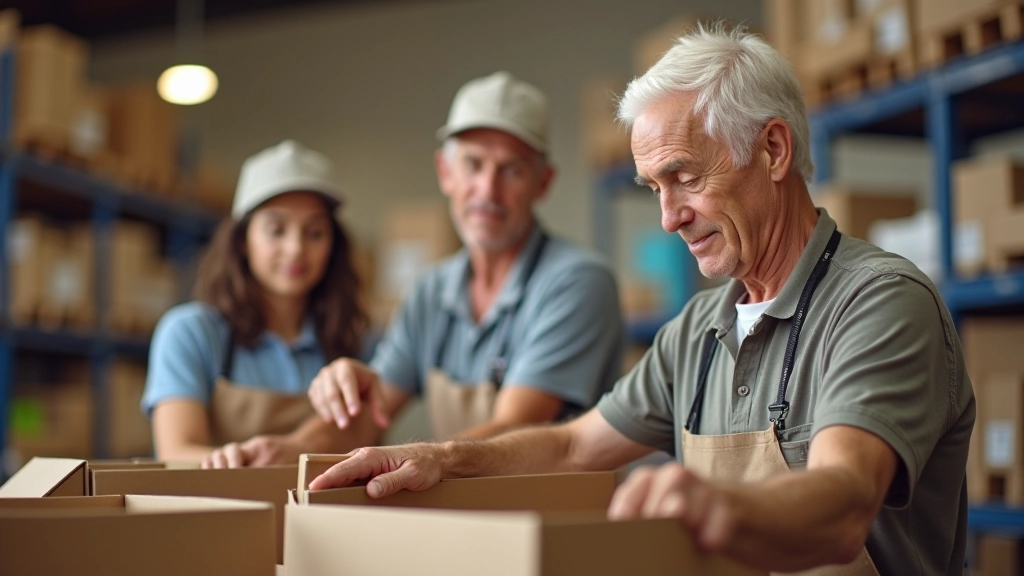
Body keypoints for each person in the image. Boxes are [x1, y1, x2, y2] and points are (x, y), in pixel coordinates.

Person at [307, 27, 974, 576]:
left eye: (684, 178)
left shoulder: (879, 303)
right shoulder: (699, 331)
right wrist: (441, 457)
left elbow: (845, 502)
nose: (668, 218)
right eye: (653, 187)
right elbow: (572, 447)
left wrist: (722, 507)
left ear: (772, 148)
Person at [305, 71, 626, 444]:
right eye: (473, 164)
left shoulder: (578, 282)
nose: (487, 190)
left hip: (551, 503)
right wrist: (285, 449)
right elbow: (370, 415)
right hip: (456, 498)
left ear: (543, 183)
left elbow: (512, 430)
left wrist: (405, 462)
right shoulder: (429, 291)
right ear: (446, 172)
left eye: (512, 170)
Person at [142, 140, 378, 468]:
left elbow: (370, 440)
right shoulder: (191, 333)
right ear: (242, 241)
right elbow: (176, 453)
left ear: (333, 244)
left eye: (314, 232)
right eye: (276, 230)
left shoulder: (354, 340)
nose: (295, 248)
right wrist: (235, 463)